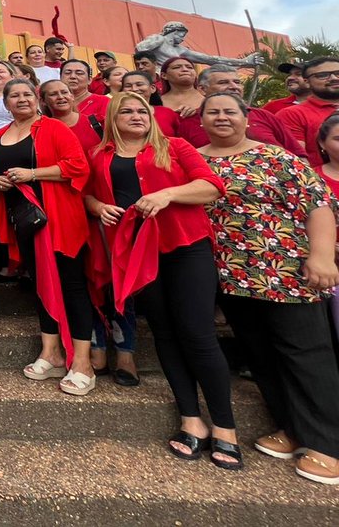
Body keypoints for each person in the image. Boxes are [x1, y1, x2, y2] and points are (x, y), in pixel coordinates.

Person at [84, 93, 236, 465]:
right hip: (139, 253)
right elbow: (89, 194)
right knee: (165, 333)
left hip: (186, 247)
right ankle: (191, 420)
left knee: (198, 335)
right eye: (128, 111)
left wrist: (168, 193)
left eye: (143, 111)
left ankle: (226, 428)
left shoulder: (176, 146)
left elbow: (213, 186)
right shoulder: (100, 156)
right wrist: (100, 207)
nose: (137, 116)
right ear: (112, 119)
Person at [199, 92, 339, 481]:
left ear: (247, 118)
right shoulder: (194, 158)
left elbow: (319, 205)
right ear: (201, 119)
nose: (222, 117)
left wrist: (322, 257)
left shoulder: (277, 157)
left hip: (287, 270)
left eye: (231, 111)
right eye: (214, 112)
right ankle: (293, 430)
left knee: (306, 354)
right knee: (260, 355)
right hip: (230, 275)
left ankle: (329, 444)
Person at [0, 79, 96, 396]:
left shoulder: (55, 129)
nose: (21, 99)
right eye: (14, 95)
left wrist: (33, 174)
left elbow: (77, 165)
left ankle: (83, 362)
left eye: (27, 94)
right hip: (25, 221)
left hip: (58, 217)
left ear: (37, 99)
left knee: (71, 285)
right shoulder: (1, 136)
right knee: (41, 282)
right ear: (5, 104)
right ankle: (51, 352)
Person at [175, 67, 302, 153]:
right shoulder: (187, 122)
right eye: (223, 82)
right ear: (202, 89)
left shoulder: (263, 115)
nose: (234, 87)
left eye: (237, 82)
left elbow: (298, 154)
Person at [277, 57, 339, 168]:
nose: (334, 78)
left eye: (338, 73)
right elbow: (296, 161)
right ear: (307, 82)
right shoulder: (292, 114)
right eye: (323, 75)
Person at [135, 20, 262, 71]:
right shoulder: (158, 39)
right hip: (157, 77)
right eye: (181, 34)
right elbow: (140, 48)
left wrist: (244, 62)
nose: (182, 38)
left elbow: (211, 59)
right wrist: (158, 39)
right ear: (173, 32)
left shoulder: (180, 50)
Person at [40, 79, 102, 154]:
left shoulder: (98, 122)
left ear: (72, 96)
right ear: (43, 101)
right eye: (53, 94)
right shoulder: (41, 130)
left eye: (64, 92)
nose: (60, 97)